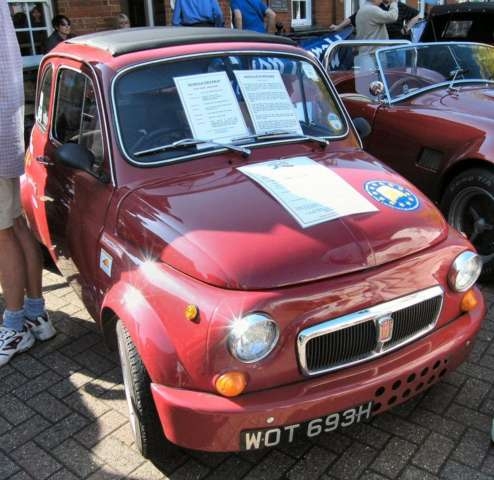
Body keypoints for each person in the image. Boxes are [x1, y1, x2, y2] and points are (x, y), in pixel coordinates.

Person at [0, 2, 56, 367]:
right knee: (15, 225)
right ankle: (36, 313)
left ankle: (15, 323)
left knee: (3, 233)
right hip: (6, 131)